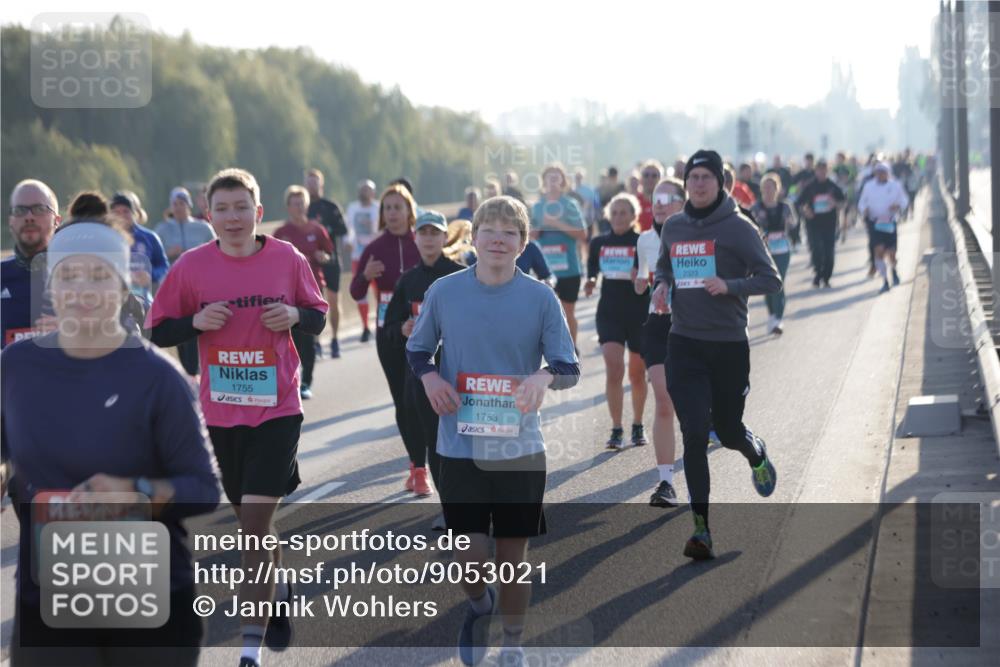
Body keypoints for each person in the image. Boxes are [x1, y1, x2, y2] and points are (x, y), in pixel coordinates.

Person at [2, 217, 220, 666]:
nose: (82, 289)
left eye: (99, 275)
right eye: (68, 275)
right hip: (49, 598)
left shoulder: (158, 377)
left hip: (150, 601)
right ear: (51, 286)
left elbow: (203, 489)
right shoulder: (15, 367)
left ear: (122, 287)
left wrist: (136, 492)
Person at [147, 168, 328, 667]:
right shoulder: (192, 267)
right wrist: (194, 322)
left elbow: (317, 315)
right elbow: (157, 330)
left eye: (241, 207)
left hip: (277, 410)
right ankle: (278, 585)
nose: (232, 218)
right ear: (208, 215)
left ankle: (250, 651)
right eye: (222, 209)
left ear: (258, 212)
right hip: (221, 414)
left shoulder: (287, 258)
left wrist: (295, 315)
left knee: (252, 526)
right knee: (255, 526)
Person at [406, 195, 579, 666]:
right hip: (459, 445)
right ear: (474, 238)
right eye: (490, 230)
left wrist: (543, 376)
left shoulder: (540, 298)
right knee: (470, 556)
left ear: (522, 244)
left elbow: (568, 366)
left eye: (509, 232)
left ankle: (513, 643)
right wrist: (431, 378)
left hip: (519, 448)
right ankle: (480, 604)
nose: (498, 240)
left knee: (511, 558)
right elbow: (418, 349)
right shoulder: (445, 291)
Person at [652, 149, 780, 560]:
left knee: (727, 430)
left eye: (706, 177)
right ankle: (701, 529)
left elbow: (771, 279)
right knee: (693, 431)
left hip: (727, 345)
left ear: (720, 182)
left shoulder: (739, 228)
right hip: (684, 342)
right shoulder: (673, 226)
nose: (699, 184)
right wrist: (661, 285)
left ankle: (755, 452)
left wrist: (730, 286)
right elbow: (664, 267)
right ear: (686, 183)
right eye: (693, 178)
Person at [384, 210, 464, 499]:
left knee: (463, 441)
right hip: (422, 375)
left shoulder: (462, 275)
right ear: (415, 238)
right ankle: (450, 507)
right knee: (434, 439)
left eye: (435, 233)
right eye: (423, 233)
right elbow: (388, 326)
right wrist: (401, 328)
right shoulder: (408, 281)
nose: (429, 239)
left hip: (460, 372)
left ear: (444, 237)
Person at [349, 184, 421, 486]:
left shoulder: (423, 242)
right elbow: (356, 292)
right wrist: (366, 276)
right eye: (387, 208)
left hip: (423, 333)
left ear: (409, 211)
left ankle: (428, 460)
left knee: (423, 401)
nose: (392, 213)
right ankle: (417, 467)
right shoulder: (375, 248)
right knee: (403, 402)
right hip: (388, 334)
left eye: (397, 207)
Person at [585, 192, 649, 450]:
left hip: (639, 313)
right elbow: (592, 266)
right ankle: (616, 428)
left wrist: (641, 278)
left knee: (637, 373)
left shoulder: (642, 242)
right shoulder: (599, 242)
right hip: (609, 312)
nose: (619, 217)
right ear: (608, 216)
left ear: (634, 216)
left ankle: (638, 424)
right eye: (615, 212)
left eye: (624, 213)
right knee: (614, 369)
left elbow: (652, 278)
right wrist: (591, 280)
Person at [635, 177, 685, 507]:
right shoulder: (645, 240)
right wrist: (642, 282)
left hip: (694, 325)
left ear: (683, 202)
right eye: (656, 199)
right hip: (657, 323)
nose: (659, 204)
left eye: (667, 199)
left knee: (691, 407)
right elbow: (643, 274)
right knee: (664, 400)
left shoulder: (698, 236)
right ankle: (665, 482)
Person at [274, 185, 335, 399]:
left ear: (307, 205)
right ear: (288, 207)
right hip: (288, 292)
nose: (299, 207)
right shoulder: (281, 233)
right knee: (291, 337)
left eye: (302, 203)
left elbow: (329, 254)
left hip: (313, 289)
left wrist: (323, 257)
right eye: (295, 204)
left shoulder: (317, 229)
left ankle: (306, 382)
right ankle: (292, 379)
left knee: (308, 338)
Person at [154, 187, 217, 377]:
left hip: (201, 288)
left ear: (188, 205)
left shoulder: (203, 228)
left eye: (182, 203)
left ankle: (195, 372)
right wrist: (168, 253)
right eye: (175, 204)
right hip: (173, 288)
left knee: (198, 328)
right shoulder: (162, 229)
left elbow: (217, 253)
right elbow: (154, 259)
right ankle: (189, 373)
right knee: (180, 330)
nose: (178, 207)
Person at [532, 163, 587, 349]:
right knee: (546, 315)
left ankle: (572, 350)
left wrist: (556, 223)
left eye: (557, 177)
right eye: (550, 177)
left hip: (568, 268)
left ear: (563, 181)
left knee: (567, 312)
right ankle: (553, 351)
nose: (553, 181)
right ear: (544, 181)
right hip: (544, 270)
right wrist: (538, 229)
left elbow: (582, 234)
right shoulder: (537, 207)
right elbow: (528, 236)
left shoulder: (569, 204)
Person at [2, 179, 61, 349]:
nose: (29, 217)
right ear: (10, 221)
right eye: (20, 210)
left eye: (39, 209)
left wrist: (74, 332)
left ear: (57, 220)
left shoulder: (81, 277)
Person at [305, 168, 348, 358]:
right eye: (309, 182)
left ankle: (335, 339)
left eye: (315, 182)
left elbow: (343, 231)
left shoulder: (331, 207)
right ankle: (316, 342)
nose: (312, 186)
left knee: (333, 301)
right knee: (314, 302)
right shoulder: (303, 208)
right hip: (310, 263)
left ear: (321, 184)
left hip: (331, 260)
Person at [750, 174, 796, 334]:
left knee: (779, 281)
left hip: (782, 249)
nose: (768, 191)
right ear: (761, 189)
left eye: (771, 187)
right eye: (765, 187)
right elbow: (749, 227)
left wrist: (790, 224)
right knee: (767, 282)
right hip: (764, 250)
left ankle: (778, 319)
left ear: (777, 189)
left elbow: (794, 223)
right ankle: (771, 314)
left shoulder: (785, 206)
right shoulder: (756, 208)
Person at [110, 190, 169, 309]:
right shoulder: (105, 238)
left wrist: (149, 275)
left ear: (134, 214)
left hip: (143, 301)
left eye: (126, 211)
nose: (121, 216)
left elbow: (163, 267)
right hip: (112, 302)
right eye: (117, 212)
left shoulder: (149, 238)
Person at [858, 162, 909, 293]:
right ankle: (885, 280)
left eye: (883, 172)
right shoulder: (869, 186)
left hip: (890, 222)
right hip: (874, 223)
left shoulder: (895, 185)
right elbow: (862, 202)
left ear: (888, 173)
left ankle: (894, 271)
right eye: (878, 172)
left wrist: (898, 206)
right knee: (879, 251)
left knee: (892, 253)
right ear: (875, 173)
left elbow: (904, 200)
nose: (881, 174)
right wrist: (864, 210)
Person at [796, 159, 846, 288]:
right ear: (816, 171)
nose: (822, 172)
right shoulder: (810, 186)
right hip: (813, 223)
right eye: (819, 170)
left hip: (829, 223)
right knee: (816, 250)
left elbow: (842, 202)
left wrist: (835, 204)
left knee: (829, 252)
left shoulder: (832, 186)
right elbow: (799, 204)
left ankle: (826, 277)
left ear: (827, 171)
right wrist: (806, 211)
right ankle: (818, 274)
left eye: (824, 170)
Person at [345, 179, 381, 342]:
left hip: (377, 256)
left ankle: (381, 323)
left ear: (373, 192)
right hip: (358, 257)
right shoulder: (352, 208)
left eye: (368, 190)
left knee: (380, 292)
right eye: (362, 189)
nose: (364, 192)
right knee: (361, 292)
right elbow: (349, 229)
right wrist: (348, 242)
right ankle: (365, 326)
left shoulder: (378, 208)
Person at [637, 160, 663, 232]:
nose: (650, 179)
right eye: (646, 175)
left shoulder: (666, 202)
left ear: (660, 179)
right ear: (640, 179)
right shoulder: (634, 202)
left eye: (654, 176)